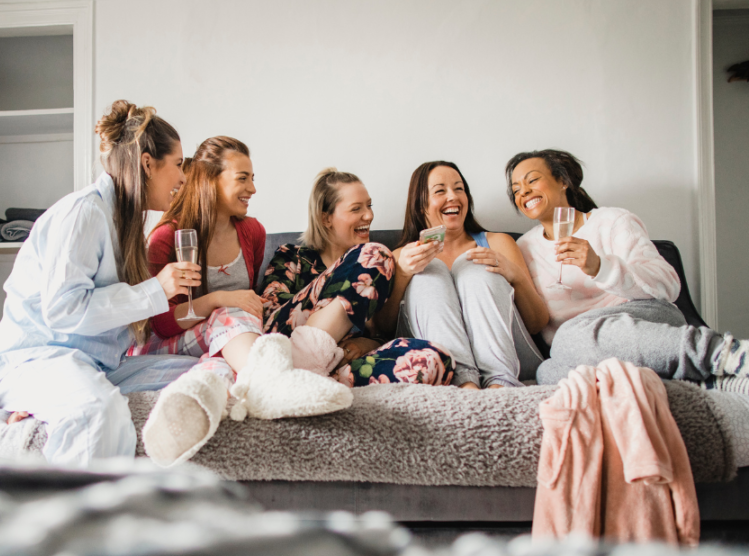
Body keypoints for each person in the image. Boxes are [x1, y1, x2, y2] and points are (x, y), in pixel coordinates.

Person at [0, 101, 203, 467]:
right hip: (33, 361)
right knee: (98, 412)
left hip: (94, 364)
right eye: (177, 164)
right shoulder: (83, 213)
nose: (182, 178)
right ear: (147, 163)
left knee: (200, 372)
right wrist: (156, 290)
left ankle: (47, 408)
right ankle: (76, 516)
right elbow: (64, 311)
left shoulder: (125, 223)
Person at [131, 138, 352, 466]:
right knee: (229, 310)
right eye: (243, 178)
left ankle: (196, 405)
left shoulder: (252, 232)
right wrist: (219, 298)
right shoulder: (168, 237)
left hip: (222, 342)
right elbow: (161, 324)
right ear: (211, 179)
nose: (253, 188)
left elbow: (250, 300)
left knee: (222, 359)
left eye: (253, 178)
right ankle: (272, 378)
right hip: (168, 343)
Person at [507, 148, 749, 388]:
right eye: (516, 189)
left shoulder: (612, 221)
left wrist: (601, 267)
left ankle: (726, 353)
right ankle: (683, 377)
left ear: (562, 181)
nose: (524, 192)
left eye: (532, 180)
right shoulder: (523, 247)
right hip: (579, 347)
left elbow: (668, 286)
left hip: (642, 315)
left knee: (568, 338)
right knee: (548, 372)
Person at [262, 168, 456, 388]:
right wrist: (334, 324)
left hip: (338, 364)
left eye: (369, 206)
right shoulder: (293, 256)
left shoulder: (380, 271)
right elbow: (270, 313)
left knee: (435, 360)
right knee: (375, 254)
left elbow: (384, 331)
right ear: (326, 218)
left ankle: (311, 380)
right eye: (356, 209)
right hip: (284, 347)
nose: (369, 215)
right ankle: (301, 364)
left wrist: (368, 342)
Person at [372, 161, 547, 389]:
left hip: (512, 361)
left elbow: (537, 324)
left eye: (459, 188)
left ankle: (500, 385)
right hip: (437, 368)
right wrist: (404, 273)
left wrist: (516, 276)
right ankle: (463, 385)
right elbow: (382, 329)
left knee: (472, 264)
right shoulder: (400, 256)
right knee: (430, 270)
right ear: (420, 204)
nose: (453, 197)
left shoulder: (499, 243)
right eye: (440, 191)